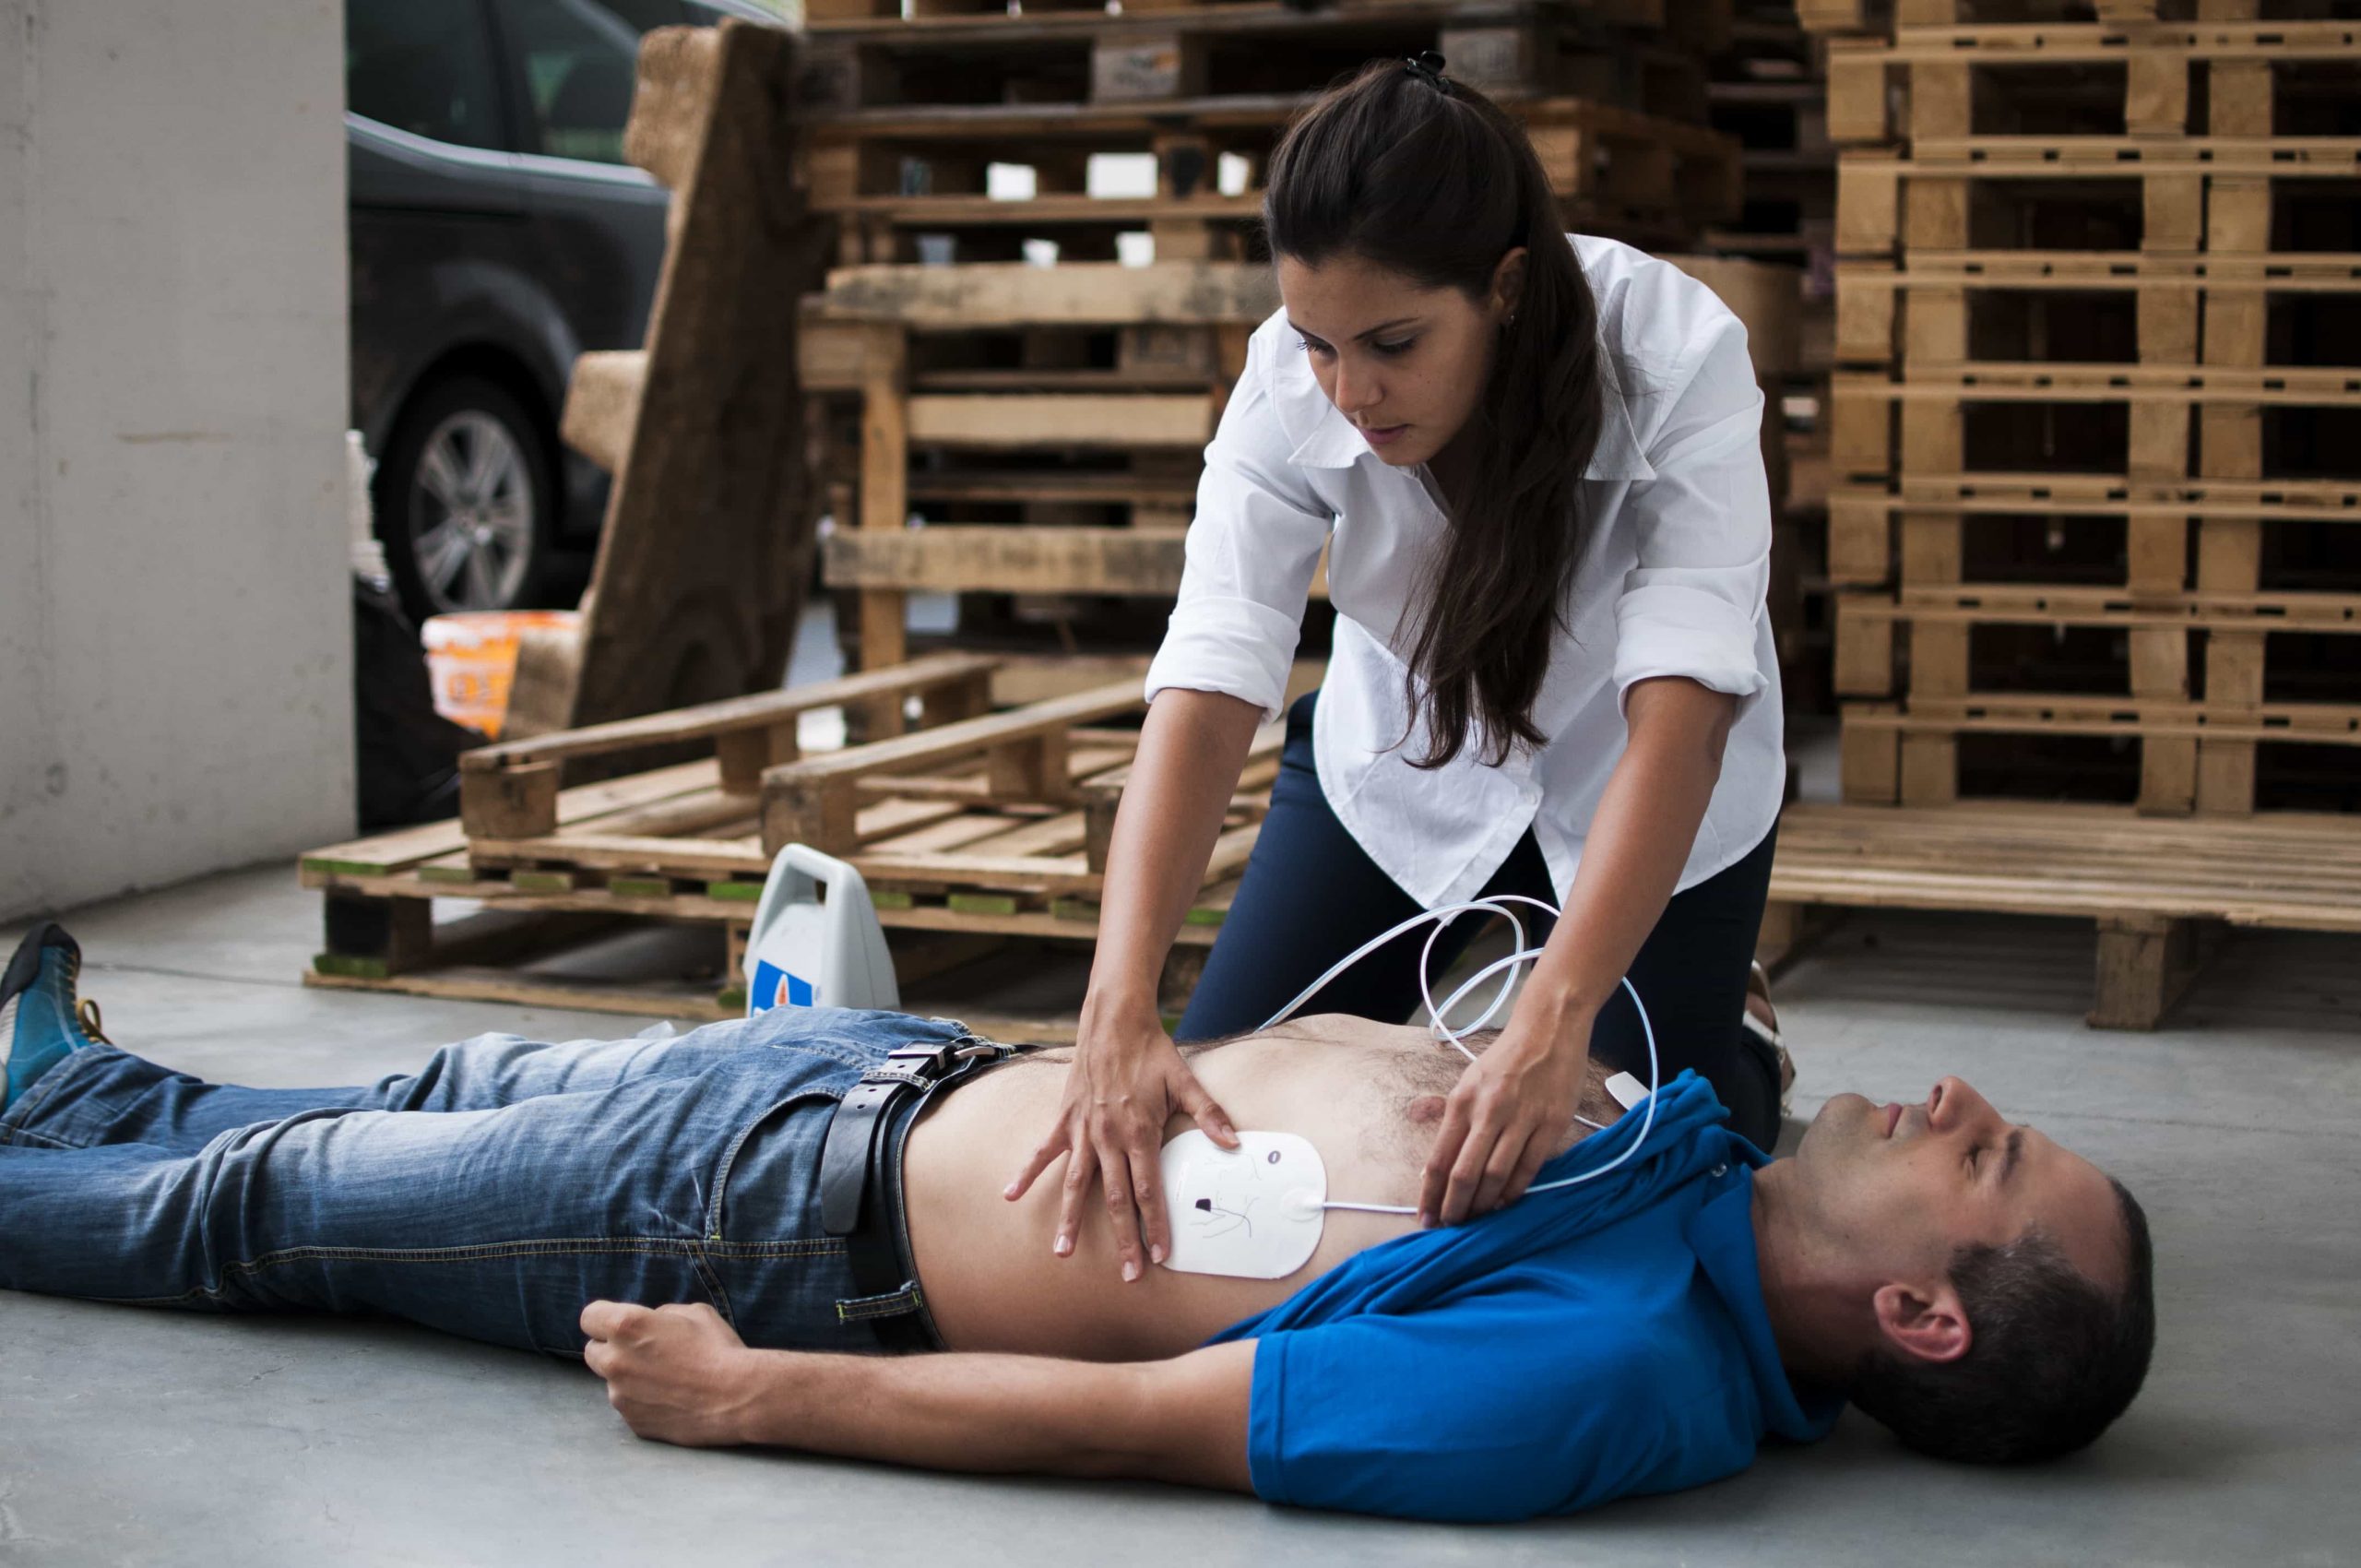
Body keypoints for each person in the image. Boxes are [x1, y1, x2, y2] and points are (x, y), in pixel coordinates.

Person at [3, 925, 2155, 1523]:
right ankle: (59, 1086)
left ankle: (49, 1158)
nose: (1957, 1101)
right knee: (427, 1082)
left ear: (1921, 1317)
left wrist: (764, 1397)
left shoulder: (1604, 1375)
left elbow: (1172, 1424)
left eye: (1981, 1160)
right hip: (879, 1076)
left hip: (777, 1225)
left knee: (268, 1207)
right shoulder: (1681, 1175)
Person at [1021, 54, 1797, 1280]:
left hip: (1647, 787)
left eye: (1393, 341)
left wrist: (1557, 1020)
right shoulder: (1290, 384)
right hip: (1403, 767)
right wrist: (1118, 1007)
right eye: (1319, 342)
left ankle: (1734, 1032)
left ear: (1505, 285)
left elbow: (1683, 721)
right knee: (1222, 1140)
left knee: (1667, 1181)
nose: (1352, 392)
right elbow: (1212, 678)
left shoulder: (1677, 354)